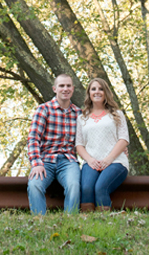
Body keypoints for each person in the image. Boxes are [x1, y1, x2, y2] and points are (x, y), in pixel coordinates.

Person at [27, 73, 81, 215]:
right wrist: (36, 163)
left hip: (68, 161)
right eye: (61, 86)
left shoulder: (79, 114)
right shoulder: (44, 109)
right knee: (34, 185)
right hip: (45, 161)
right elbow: (33, 138)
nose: (65, 89)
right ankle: (40, 222)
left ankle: (70, 222)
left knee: (74, 185)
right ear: (54, 89)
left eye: (68, 86)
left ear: (73, 89)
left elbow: (89, 140)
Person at [75, 77, 129, 212]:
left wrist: (108, 159)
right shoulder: (82, 118)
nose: (97, 92)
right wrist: (90, 160)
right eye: (93, 89)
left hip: (116, 161)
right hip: (91, 161)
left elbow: (123, 139)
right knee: (86, 188)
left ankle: (104, 223)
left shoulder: (117, 114)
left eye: (101, 89)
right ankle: (87, 224)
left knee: (101, 187)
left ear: (106, 93)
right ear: (89, 93)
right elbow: (79, 145)